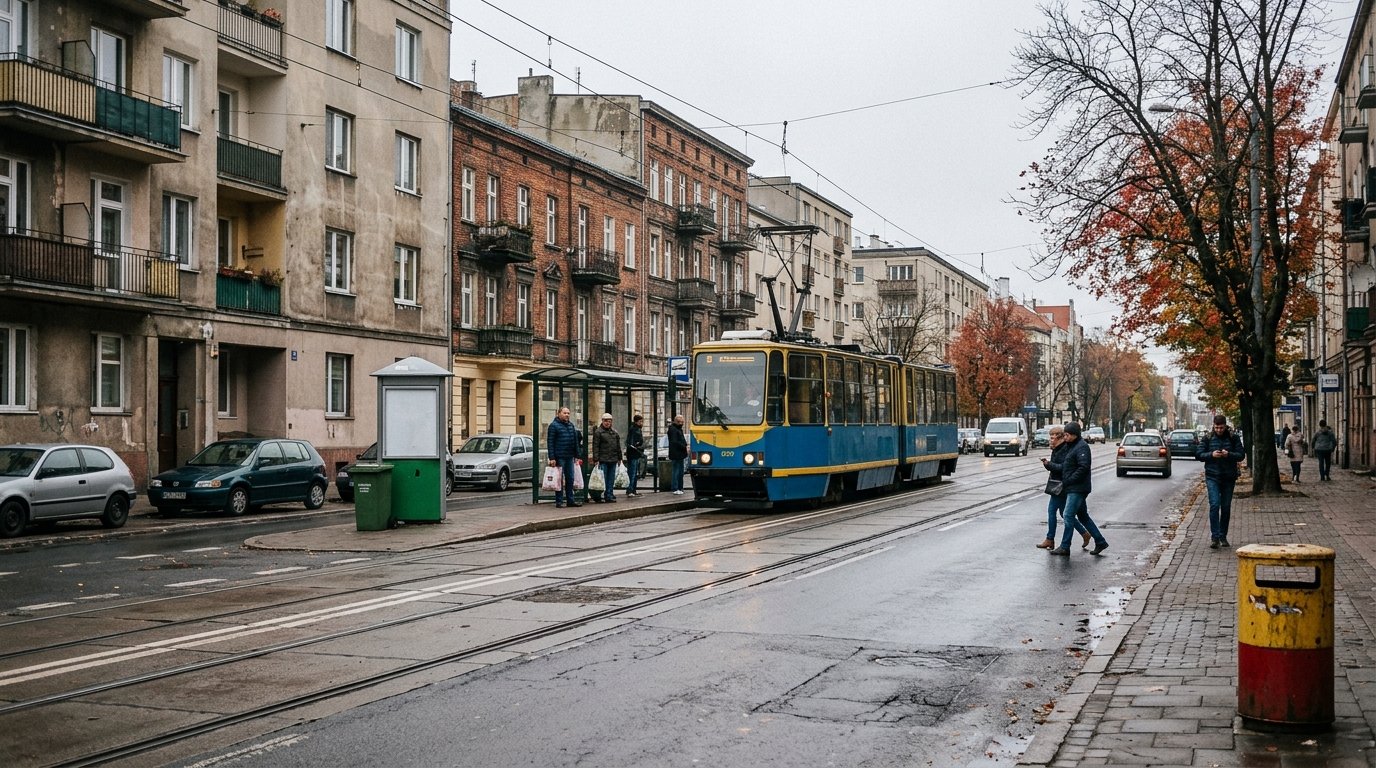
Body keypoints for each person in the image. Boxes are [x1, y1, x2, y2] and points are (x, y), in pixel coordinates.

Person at [1048, 422, 1108, 556]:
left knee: (1068, 515)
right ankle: (1100, 541)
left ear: (1074, 435)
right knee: (1083, 516)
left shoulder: (1082, 447)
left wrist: (1069, 480)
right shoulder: (1071, 446)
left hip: (1078, 488)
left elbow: (1083, 467)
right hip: (1073, 487)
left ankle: (1065, 546)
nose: (1065, 437)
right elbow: (1066, 465)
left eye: (1067, 435)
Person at [1196, 415, 1244, 548]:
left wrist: (1229, 455)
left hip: (1229, 476)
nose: (1219, 430)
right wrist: (1211, 455)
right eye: (1216, 427)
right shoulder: (1208, 438)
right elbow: (1198, 454)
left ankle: (1223, 536)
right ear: (1213, 425)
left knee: (1226, 507)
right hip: (1212, 476)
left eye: (1221, 427)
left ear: (1225, 425)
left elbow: (1241, 455)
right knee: (1214, 505)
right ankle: (1215, 537)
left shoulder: (1233, 437)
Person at [1038, 425, 1090, 550]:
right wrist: (1048, 464)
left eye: (1053, 438)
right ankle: (1084, 533)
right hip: (1057, 484)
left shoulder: (1065, 449)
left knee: (1056, 512)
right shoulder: (1057, 449)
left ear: (1060, 438)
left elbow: (1063, 468)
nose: (1051, 440)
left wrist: (1049, 464)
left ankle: (1051, 539)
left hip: (1062, 485)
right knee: (1064, 513)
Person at [546, 406, 582, 508]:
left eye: (568, 413)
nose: (567, 415)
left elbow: (575, 441)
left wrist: (577, 455)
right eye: (565, 413)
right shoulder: (554, 426)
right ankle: (559, 501)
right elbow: (550, 442)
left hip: (570, 456)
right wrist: (552, 457)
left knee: (570, 478)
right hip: (559, 456)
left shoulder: (570, 425)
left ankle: (570, 500)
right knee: (559, 479)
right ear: (559, 413)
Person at [589, 412, 623, 503]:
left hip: (613, 459)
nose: (607, 423)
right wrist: (596, 459)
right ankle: (599, 496)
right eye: (606, 421)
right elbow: (595, 446)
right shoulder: (598, 432)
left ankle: (609, 495)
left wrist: (620, 458)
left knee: (611, 479)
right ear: (602, 421)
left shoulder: (614, 432)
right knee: (602, 479)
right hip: (603, 460)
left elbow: (618, 446)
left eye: (609, 421)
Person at [624, 414, 645, 497]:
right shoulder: (634, 429)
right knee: (632, 473)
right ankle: (630, 490)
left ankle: (633, 489)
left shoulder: (637, 429)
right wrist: (638, 445)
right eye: (640, 421)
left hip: (635, 454)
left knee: (634, 473)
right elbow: (632, 443)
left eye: (642, 421)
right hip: (633, 453)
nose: (641, 423)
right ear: (636, 421)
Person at [667, 414, 689, 495]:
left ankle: (680, 487)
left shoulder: (677, 429)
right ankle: (675, 488)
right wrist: (684, 446)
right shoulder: (673, 430)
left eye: (682, 422)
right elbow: (675, 442)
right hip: (676, 453)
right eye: (680, 422)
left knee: (680, 471)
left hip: (680, 453)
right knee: (676, 471)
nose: (682, 423)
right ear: (676, 421)